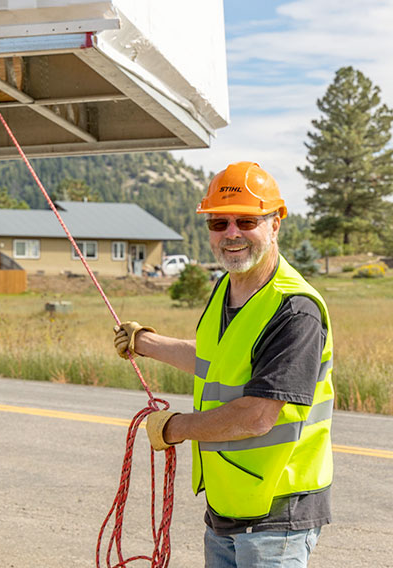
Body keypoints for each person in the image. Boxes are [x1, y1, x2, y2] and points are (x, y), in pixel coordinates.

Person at [112, 161, 334, 567]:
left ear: (275, 224)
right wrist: (146, 343)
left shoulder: (294, 310)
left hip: (276, 513)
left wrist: (175, 428)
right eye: (219, 223)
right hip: (226, 507)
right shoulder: (225, 290)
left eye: (246, 221)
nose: (231, 233)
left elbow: (257, 416)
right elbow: (217, 362)